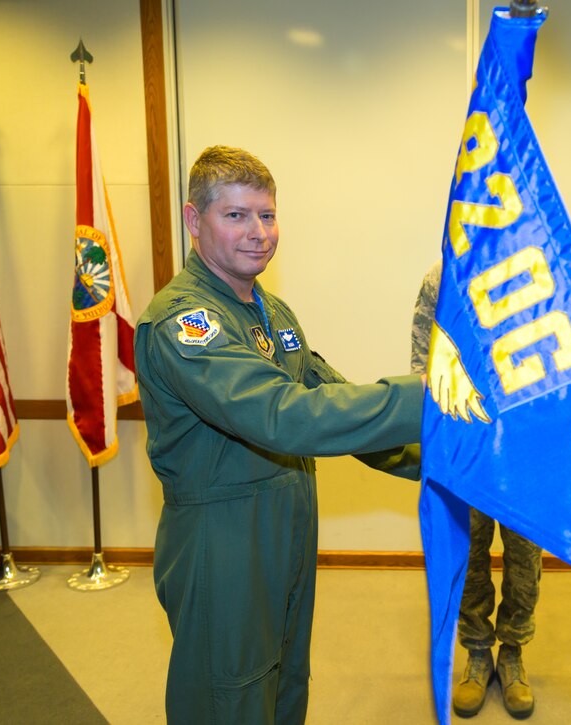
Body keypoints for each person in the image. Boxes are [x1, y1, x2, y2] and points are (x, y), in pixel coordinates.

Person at [134, 145, 423, 724]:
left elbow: (333, 405)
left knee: (286, 684)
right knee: (230, 696)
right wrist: (430, 394)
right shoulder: (184, 322)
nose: (258, 232)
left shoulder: (272, 312)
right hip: (224, 539)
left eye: (267, 215)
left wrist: (440, 462)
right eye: (236, 215)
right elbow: (282, 414)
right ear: (194, 221)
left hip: (287, 527)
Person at [411, 260, 542, 720]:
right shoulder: (440, 281)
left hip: (524, 447)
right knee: (469, 555)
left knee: (525, 558)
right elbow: (421, 362)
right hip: (466, 442)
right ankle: (478, 651)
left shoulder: (533, 271)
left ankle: (513, 652)